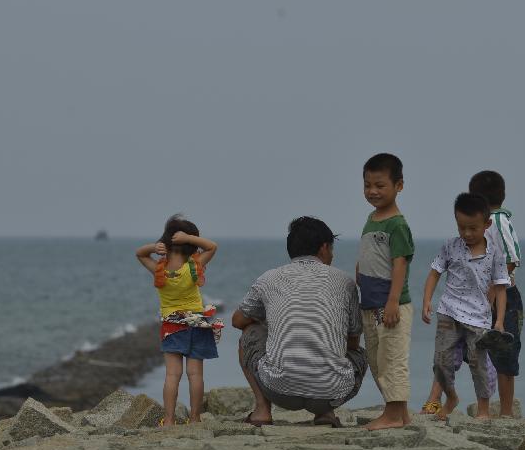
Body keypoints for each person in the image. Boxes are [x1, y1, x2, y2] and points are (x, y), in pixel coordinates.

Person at [232, 216, 367, 428]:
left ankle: (262, 410)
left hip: (278, 390)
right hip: (331, 393)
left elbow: (238, 320)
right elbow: (352, 343)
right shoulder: (345, 281)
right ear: (323, 248)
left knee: (249, 333)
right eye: (332, 249)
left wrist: (272, 321)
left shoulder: (269, 278)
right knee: (357, 353)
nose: (332, 254)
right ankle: (326, 414)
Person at [422, 193, 509, 420]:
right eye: (462, 228)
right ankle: (451, 397)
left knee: (478, 366)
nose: (467, 234)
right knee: (440, 363)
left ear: (487, 224)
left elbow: (500, 289)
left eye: (473, 228)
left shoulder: (495, 254)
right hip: (448, 312)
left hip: (479, 318)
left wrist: (498, 321)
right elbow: (434, 274)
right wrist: (427, 301)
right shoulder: (450, 246)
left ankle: (483, 409)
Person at [135, 214, 221, 427]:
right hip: (197, 323)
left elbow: (139, 254)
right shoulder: (194, 265)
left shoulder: (159, 269)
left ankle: (170, 420)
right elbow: (212, 246)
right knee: (195, 374)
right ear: (190, 244)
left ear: (165, 242)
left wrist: (154, 248)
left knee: (172, 375)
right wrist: (189, 238)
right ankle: (194, 418)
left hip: (172, 326)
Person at [356, 153, 415, 430]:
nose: (372, 191)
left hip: (390, 304)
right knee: (377, 360)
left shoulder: (397, 224)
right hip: (370, 303)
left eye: (380, 185)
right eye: (368, 185)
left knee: (392, 359)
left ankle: (392, 416)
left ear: (399, 185)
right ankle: (400, 413)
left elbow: (399, 263)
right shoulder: (372, 218)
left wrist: (392, 302)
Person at [471, 170, 524, 417]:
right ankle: (486, 407)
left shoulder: (499, 221)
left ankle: (505, 412)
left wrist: (493, 288)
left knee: (505, 353)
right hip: (483, 297)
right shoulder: (482, 224)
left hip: (505, 297)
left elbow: (512, 258)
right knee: (478, 351)